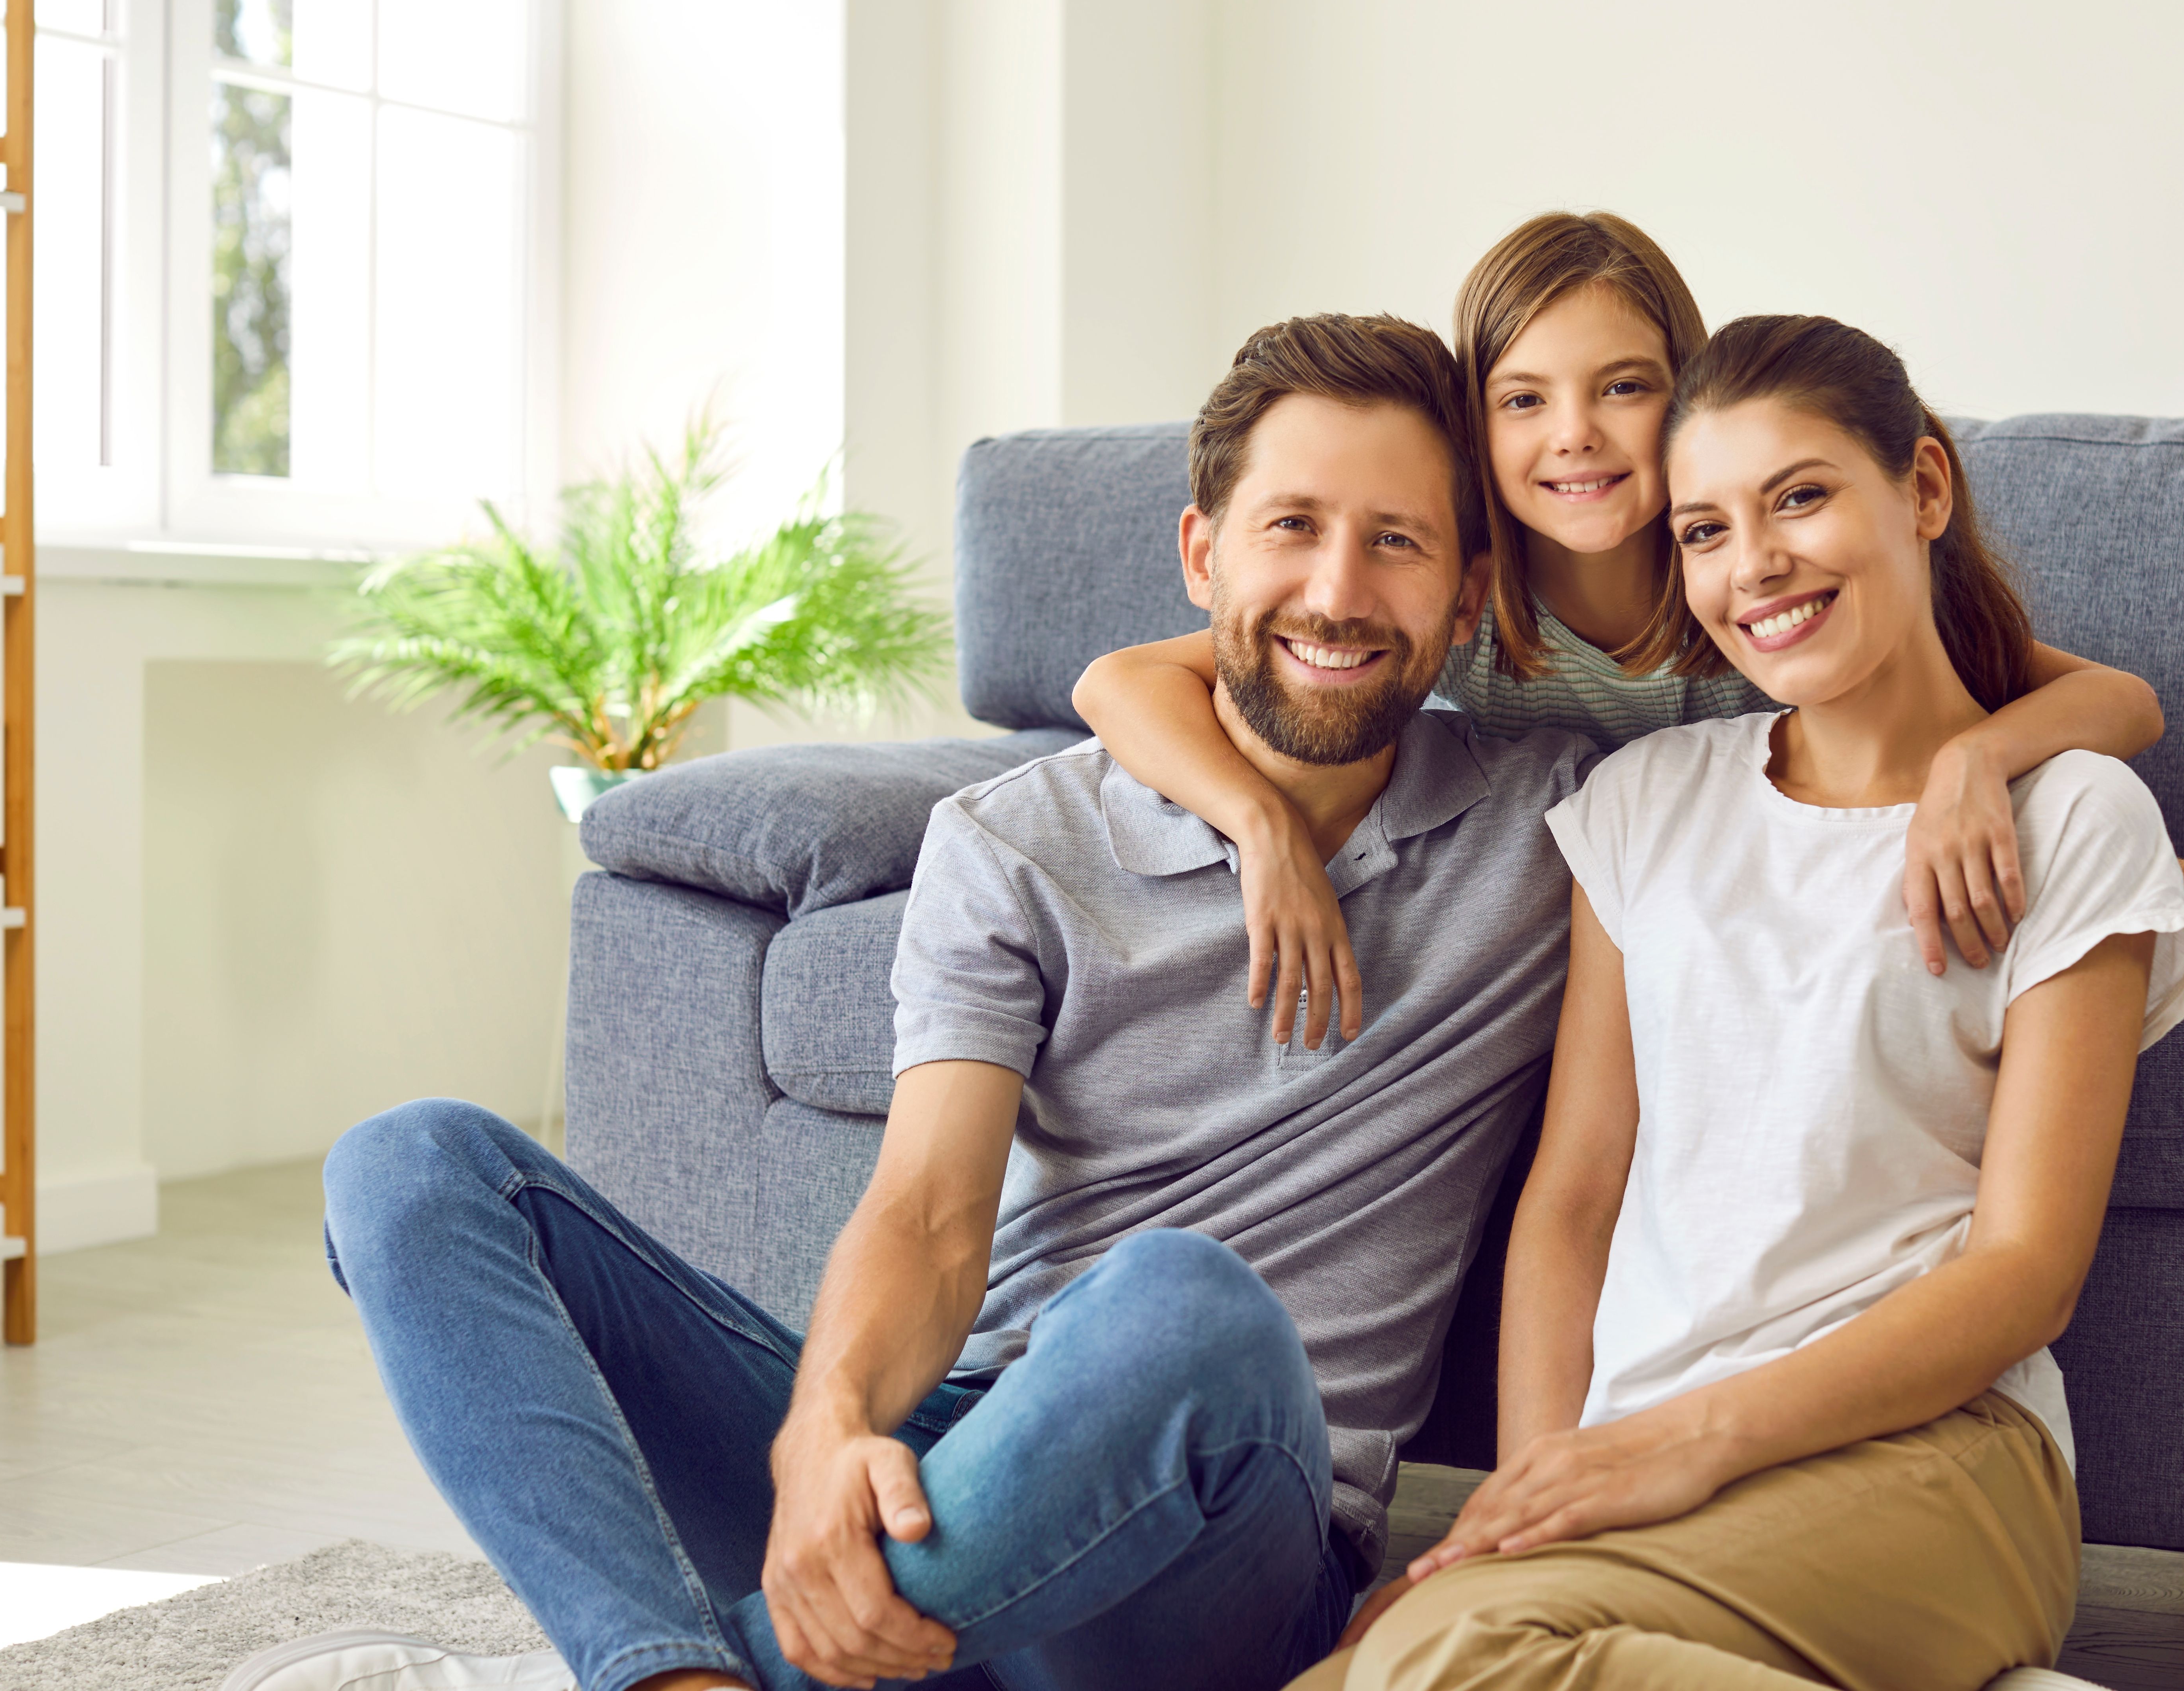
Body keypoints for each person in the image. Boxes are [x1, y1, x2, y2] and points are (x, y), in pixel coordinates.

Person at [259, 312, 1601, 1691]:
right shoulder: (1012, 839)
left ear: (1464, 587)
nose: (1337, 589)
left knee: (1184, 1298)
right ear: (1202, 555)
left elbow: (1748, 654)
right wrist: (828, 1424)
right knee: (413, 1165)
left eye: (1397, 541)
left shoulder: (1556, 825)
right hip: (961, 1458)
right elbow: (930, 1209)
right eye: (1292, 527)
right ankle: (677, 1676)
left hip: (1231, 1529)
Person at [1297, 314, 2184, 1691]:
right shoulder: (1642, 806)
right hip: (1638, 1457)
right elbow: (1576, 1196)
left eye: (1800, 497)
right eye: (1705, 529)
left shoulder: (2076, 816)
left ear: (1922, 489)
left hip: (1938, 1458)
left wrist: (1695, 1438)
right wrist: (1542, 1482)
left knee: (1454, 1664)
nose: (1755, 564)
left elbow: (2030, 1269)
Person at [1072, 212, 2184, 1048]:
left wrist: (1975, 760)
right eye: (1525, 399)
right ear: (1479, 421)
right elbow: (1118, 678)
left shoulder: (1757, 595)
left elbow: (2119, 704)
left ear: (1690, 396)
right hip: (1589, 920)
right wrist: (1261, 830)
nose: (1575, 439)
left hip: (1801, 878)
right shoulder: (1452, 602)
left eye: (1626, 388)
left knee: (1960, 822)